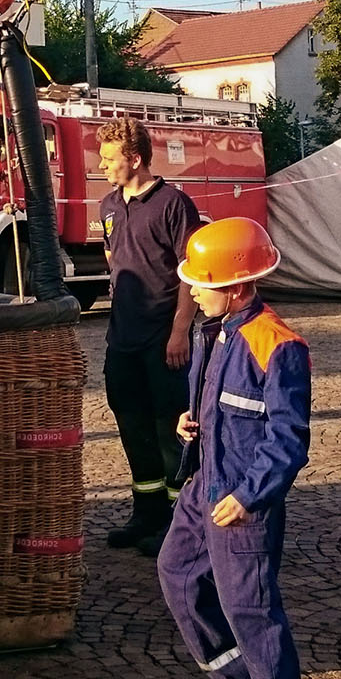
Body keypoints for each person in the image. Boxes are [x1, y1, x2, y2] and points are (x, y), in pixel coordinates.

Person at [158, 218, 312, 679]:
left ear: (238, 286)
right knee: (176, 574)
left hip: (241, 501)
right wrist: (190, 425)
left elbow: (288, 440)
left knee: (250, 604)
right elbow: (219, 406)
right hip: (205, 485)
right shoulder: (216, 330)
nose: (192, 291)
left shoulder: (278, 345)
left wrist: (249, 497)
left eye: (202, 282)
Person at [97, 118, 201, 556]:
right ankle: (147, 511)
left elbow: (190, 272)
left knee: (167, 428)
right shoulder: (107, 205)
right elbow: (112, 261)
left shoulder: (174, 204)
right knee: (132, 425)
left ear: (135, 159)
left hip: (164, 339)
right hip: (122, 339)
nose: (102, 166)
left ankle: (181, 523)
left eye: (109, 159)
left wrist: (179, 332)